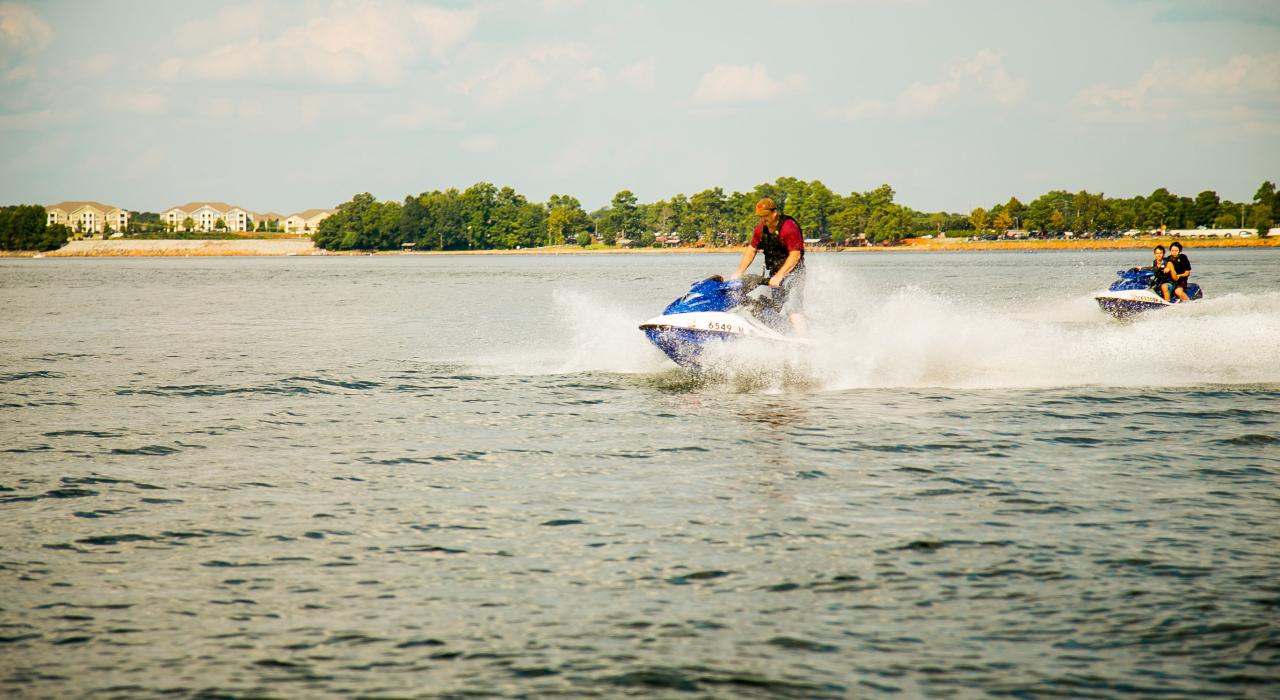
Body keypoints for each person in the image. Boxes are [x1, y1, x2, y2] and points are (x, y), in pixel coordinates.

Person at [728, 198, 807, 335]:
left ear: (774, 213)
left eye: (765, 216)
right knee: (775, 309)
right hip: (775, 275)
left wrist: (780, 275)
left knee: (792, 307)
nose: (763, 219)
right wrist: (739, 272)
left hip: (794, 273)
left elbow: (795, 256)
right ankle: (785, 335)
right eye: (760, 217)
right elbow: (751, 250)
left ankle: (804, 340)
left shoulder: (788, 228)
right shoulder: (760, 230)